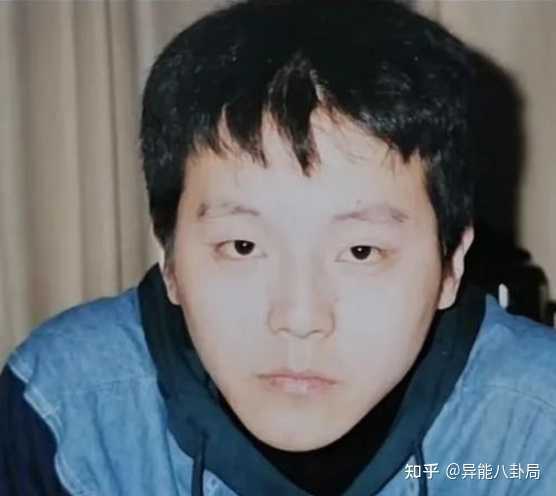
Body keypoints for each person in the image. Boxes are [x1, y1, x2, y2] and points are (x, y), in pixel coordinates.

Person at [1, 1, 555, 494]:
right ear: (168, 257)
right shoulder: (64, 409)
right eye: (242, 246)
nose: (299, 318)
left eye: (361, 252)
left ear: (452, 265)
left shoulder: (534, 432)